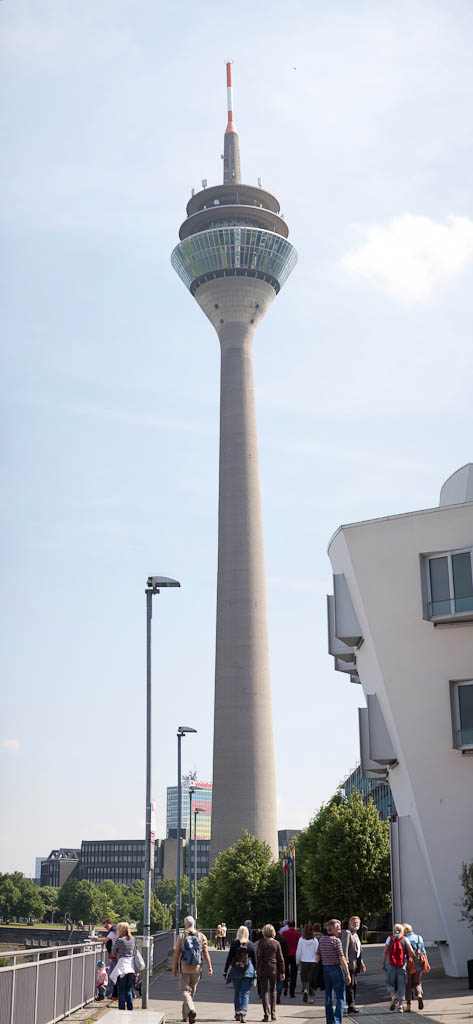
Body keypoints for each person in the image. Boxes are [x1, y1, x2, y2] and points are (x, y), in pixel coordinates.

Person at [173, 914, 213, 1024]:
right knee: (192, 991)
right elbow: (205, 952)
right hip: (197, 968)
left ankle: (190, 1010)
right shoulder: (201, 936)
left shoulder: (181, 936)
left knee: (185, 991)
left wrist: (174, 967)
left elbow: (176, 953)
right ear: (193, 924)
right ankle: (186, 1016)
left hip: (184, 967)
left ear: (185, 924)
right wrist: (210, 967)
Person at [315, 918, 351, 1024]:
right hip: (336, 969)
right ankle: (337, 1021)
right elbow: (342, 957)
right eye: (338, 928)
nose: (339, 931)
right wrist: (347, 973)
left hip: (325, 969)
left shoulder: (321, 940)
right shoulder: (336, 941)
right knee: (340, 997)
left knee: (328, 996)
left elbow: (317, 957)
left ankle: (329, 1021)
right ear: (332, 929)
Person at [223, 924, 256, 1022]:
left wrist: (225, 972)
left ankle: (237, 1012)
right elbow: (255, 959)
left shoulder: (234, 944)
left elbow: (229, 958)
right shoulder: (250, 944)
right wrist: (256, 970)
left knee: (237, 992)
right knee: (245, 992)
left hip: (235, 971)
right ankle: (243, 1012)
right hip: (248, 970)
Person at [381, 923, 414, 1013]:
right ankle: (400, 1006)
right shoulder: (405, 939)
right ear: (402, 930)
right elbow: (411, 952)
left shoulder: (389, 939)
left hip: (390, 965)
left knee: (389, 983)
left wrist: (383, 962)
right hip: (402, 965)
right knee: (401, 985)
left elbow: (385, 952)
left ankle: (393, 997)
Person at [257, 923, 285, 1022]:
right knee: (273, 990)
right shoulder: (277, 943)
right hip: (274, 967)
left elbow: (259, 958)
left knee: (264, 991)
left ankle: (266, 1015)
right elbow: (280, 958)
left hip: (264, 967)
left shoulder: (261, 943)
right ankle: (273, 1013)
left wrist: (258, 970)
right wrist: (282, 971)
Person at [340, 916, 366, 1014]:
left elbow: (358, 951)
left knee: (354, 985)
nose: (356, 924)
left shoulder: (356, 935)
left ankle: (352, 1004)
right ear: (350, 923)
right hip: (349, 964)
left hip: (356, 964)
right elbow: (344, 950)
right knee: (349, 985)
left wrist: (362, 963)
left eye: (357, 922)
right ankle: (350, 1005)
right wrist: (345, 964)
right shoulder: (347, 933)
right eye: (354, 922)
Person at [110, 921, 136, 1012]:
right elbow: (134, 951)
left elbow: (113, 952)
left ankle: (121, 1011)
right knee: (128, 990)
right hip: (131, 967)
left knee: (121, 991)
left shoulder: (119, 940)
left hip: (122, 967)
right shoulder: (133, 939)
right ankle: (130, 1010)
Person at [403, 924, 429, 1012]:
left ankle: (408, 1005)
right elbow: (423, 952)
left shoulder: (404, 939)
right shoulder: (419, 937)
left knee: (408, 984)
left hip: (408, 964)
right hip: (418, 963)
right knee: (417, 982)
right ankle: (419, 995)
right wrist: (427, 963)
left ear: (405, 930)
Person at [296, 923, 319, 1003]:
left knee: (304, 977)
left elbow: (299, 951)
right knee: (311, 979)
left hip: (304, 961)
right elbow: (317, 951)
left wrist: (297, 960)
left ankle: (305, 990)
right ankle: (310, 997)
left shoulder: (301, 940)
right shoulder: (315, 940)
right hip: (313, 961)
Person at [282, 920, 301, 998]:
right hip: (295, 954)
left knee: (285, 971)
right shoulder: (298, 934)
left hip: (286, 954)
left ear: (288, 925)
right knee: (294, 973)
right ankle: (292, 991)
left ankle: (285, 985)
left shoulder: (284, 933)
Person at [273, 924, 289, 1004]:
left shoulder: (271, 939)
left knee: (273, 979)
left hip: (272, 962)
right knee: (280, 979)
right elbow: (286, 951)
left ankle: (274, 992)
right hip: (281, 961)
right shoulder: (283, 938)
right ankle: (278, 992)